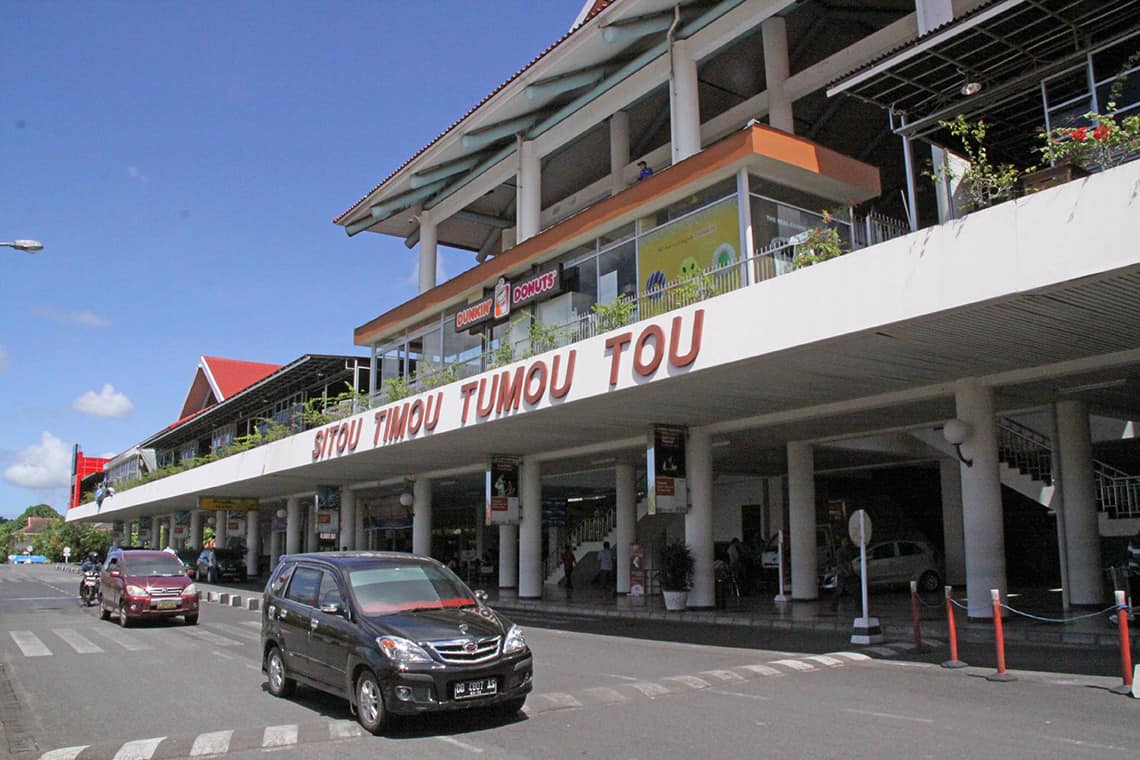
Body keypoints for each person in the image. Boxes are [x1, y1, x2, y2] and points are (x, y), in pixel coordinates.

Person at [831, 537, 856, 611]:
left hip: (846, 573)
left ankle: (833, 606)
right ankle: (833, 605)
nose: (846, 543)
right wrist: (846, 571)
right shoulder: (840, 551)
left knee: (852, 589)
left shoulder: (847, 551)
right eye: (844, 541)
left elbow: (849, 562)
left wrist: (850, 571)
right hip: (842, 573)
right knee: (839, 590)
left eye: (846, 542)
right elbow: (840, 563)